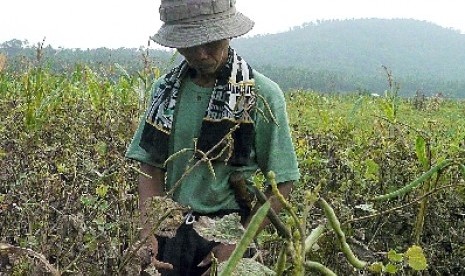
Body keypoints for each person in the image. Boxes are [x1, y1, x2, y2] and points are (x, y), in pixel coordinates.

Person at [125, 0, 300, 275]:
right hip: (171, 234)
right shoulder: (165, 92)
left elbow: (284, 181)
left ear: (228, 34)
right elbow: (150, 167)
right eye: (190, 45)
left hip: (227, 234)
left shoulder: (262, 94)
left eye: (210, 42)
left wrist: (239, 242)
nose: (201, 54)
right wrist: (149, 233)